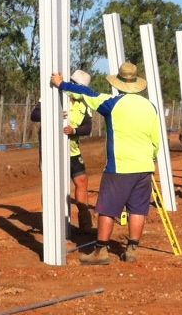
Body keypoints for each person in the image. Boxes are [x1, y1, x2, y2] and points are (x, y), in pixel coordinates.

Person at [49, 61, 161, 265]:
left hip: (120, 166)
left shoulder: (112, 103)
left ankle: (101, 251)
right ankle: (132, 249)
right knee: (137, 208)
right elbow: (156, 140)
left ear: (118, 84)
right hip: (144, 166)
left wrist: (62, 84)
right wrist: (150, 159)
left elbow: (87, 93)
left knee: (107, 208)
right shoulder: (150, 106)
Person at [31, 70, 95, 232]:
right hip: (51, 150)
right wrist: (54, 114)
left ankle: (84, 220)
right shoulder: (53, 95)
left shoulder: (85, 104)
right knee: (51, 185)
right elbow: (35, 114)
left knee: (81, 181)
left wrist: (74, 131)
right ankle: (50, 222)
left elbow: (88, 127)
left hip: (72, 150)